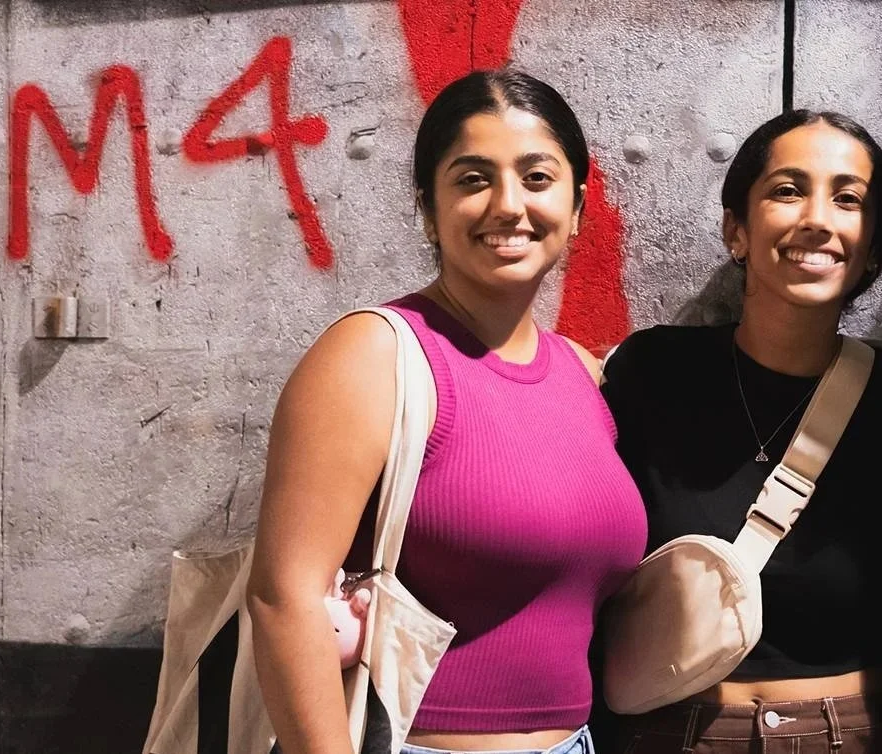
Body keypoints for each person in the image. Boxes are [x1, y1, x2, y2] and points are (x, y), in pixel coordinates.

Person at [246, 70, 646, 754]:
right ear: (429, 209)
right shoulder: (374, 353)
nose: (507, 205)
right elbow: (284, 599)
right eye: (471, 179)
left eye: (537, 177)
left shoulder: (584, 374)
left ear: (577, 207)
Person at [597, 109, 882, 754]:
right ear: (736, 229)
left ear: (875, 247)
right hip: (665, 733)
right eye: (787, 191)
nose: (817, 219)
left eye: (848, 199)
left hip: (849, 733)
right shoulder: (651, 374)